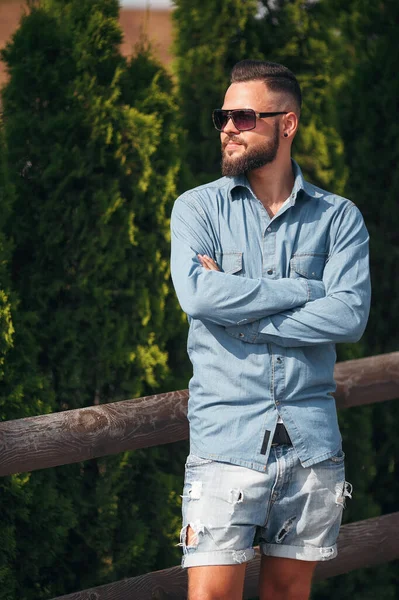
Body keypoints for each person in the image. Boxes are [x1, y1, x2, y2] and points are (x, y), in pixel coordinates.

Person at [170, 59, 371, 600]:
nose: (229, 128)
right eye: (223, 116)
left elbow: (349, 316)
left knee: (287, 595)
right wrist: (306, 291)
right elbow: (197, 294)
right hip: (225, 442)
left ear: (288, 123)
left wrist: (239, 314)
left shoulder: (339, 219)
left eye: (244, 116)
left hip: (311, 444)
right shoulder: (197, 209)